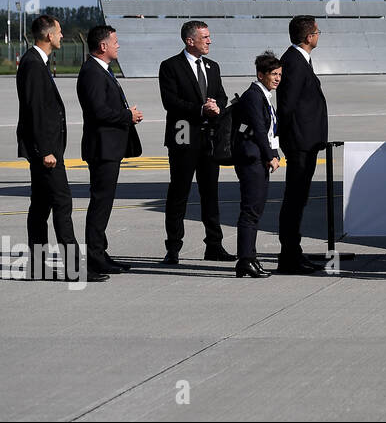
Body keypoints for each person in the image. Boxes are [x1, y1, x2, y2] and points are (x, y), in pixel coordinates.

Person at [16, 15, 97, 281]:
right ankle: (74, 269)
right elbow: (35, 112)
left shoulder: (36, 62)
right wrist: (46, 151)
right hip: (46, 152)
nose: (62, 36)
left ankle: (38, 266)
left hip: (45, 150)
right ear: (48, 35)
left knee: (40, 206)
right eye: (60, 32)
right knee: (62, 203)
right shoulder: (33, 65)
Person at [159, 20, 232, 263]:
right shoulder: (170, 67)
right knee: (179, 192)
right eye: (205, 37)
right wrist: (201, 110)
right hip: (184, 136)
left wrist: (216, 106)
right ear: (190, 41)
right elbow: (171, 102)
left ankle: (214, 244)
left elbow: (221, 95)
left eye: (209, 36)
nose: (210, 41)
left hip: (209, 140)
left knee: (210, 193)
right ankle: (173, 247)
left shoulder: (213, 66)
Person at [77, 25, 143, 276]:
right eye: (115, 41)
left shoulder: (102, 70)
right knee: (100, 203)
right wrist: (127, 115)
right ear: (102, 46)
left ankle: (100, 252)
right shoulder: (93, 72)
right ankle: (94, 257)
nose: (118, 45)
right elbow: (98, 111)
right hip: (102, 149)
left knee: (104, 203)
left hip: (109, 148)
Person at [276, 15, 328, 274]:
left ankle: (293, 253)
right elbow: (286, 106)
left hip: (304, 142)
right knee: (295, 199)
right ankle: (289, 256)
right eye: (318, 32)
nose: (319, 36)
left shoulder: (299, 60)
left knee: (299, 198)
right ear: (309, 37)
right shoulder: (294, 62)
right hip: (299, 143)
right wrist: (286, 140)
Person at [231, 52, 283, 279]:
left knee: (256, 209)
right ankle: (245, 260)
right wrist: (271, 155)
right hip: (251, 160)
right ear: (260, 74)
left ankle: (250, 258)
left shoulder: (264, 96)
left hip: (258, 159)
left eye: (280, 74)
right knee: (251, 210)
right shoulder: (253, 96)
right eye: (273, 74)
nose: (277, 78)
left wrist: (274, 153)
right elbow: (259, 130)